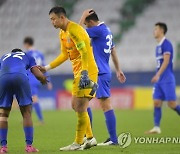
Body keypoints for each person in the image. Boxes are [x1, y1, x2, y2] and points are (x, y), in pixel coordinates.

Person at [39, 6, 98, 151]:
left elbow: (84, 52)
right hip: (79, 73)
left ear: (62, 18)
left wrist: (84, 74)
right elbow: (64, 55)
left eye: (53, 19)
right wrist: (47, 68)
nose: (52, 22)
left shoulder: (75, 30)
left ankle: (77, 143)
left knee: (79, 106)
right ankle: (90, 138)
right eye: (50, 20)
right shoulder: (62, 34)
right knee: (75, 106)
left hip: (88, 72)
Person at [79, 10, 126, 145]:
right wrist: (118, 69)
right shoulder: (107, 30)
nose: (87, 28)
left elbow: (76, 32)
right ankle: (90, 137)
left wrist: (82, 17)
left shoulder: (98, 30)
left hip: (98, 73)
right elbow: (113, 51)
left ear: (91, 22)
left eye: (87, 25)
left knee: (103, 105)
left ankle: (107, 139)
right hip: (100, 72)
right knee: (84, 103)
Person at [0, 49, 48, 153]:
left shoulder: (3, 56)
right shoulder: (27, 56)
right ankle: (29, 146)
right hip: (20, 77)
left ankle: (3, 147)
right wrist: (43, 79)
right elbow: (37, 74)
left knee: (3, 115)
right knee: (26, 113)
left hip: (3, 79)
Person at [146, 22, 180, 134]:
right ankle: (156, 127)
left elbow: (166, 61)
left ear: (161, 30)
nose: (154, 31)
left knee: (172, 104)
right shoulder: (158, 46)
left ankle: (156, 126)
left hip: (167, 79)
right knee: (156, 102)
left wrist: (158, 74)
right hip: (159, 80)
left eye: (155, 29)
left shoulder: (167, 44)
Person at [23, 37, 53, 124]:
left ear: (26, 44)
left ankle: (41, 119)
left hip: (31, 78)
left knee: (34, 98)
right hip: (39, 78)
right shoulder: (40, 54)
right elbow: (44, 67)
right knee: (31, 98)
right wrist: (49, 80)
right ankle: (27, 118)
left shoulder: (27, 54)